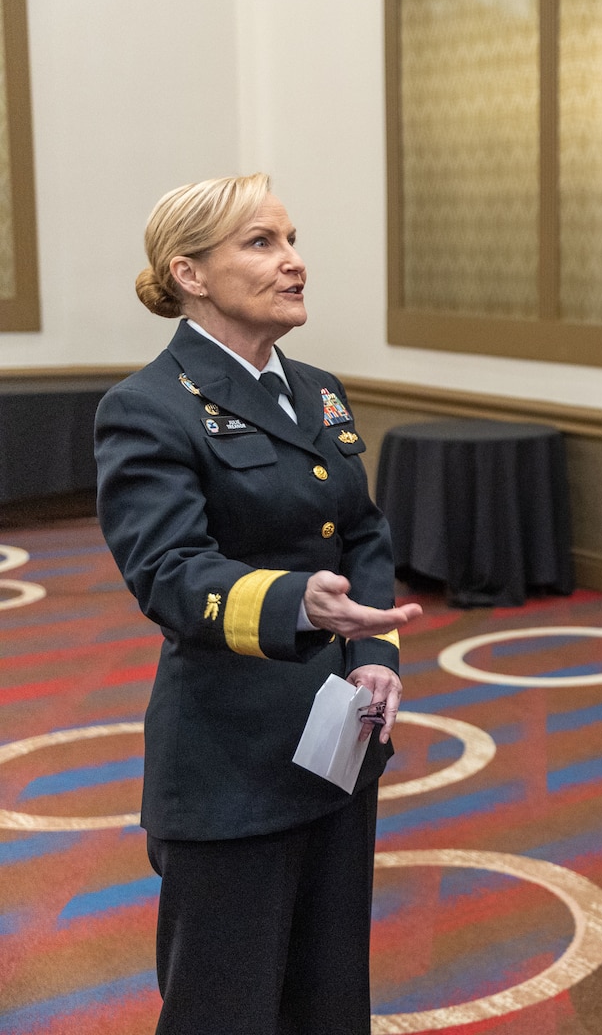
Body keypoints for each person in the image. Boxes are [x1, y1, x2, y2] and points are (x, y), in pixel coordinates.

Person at [95, 173, 421, 1034]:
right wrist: (298, 605)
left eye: (292, 239)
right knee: (226, 1007)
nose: (295, 262)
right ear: (191, 274)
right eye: (262, 243)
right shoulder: (148, 406)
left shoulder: (317, 387)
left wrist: (378, 659)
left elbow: (363, 535)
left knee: (328, 995)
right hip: (228, 764)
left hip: (337, 746)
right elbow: (167, 572)